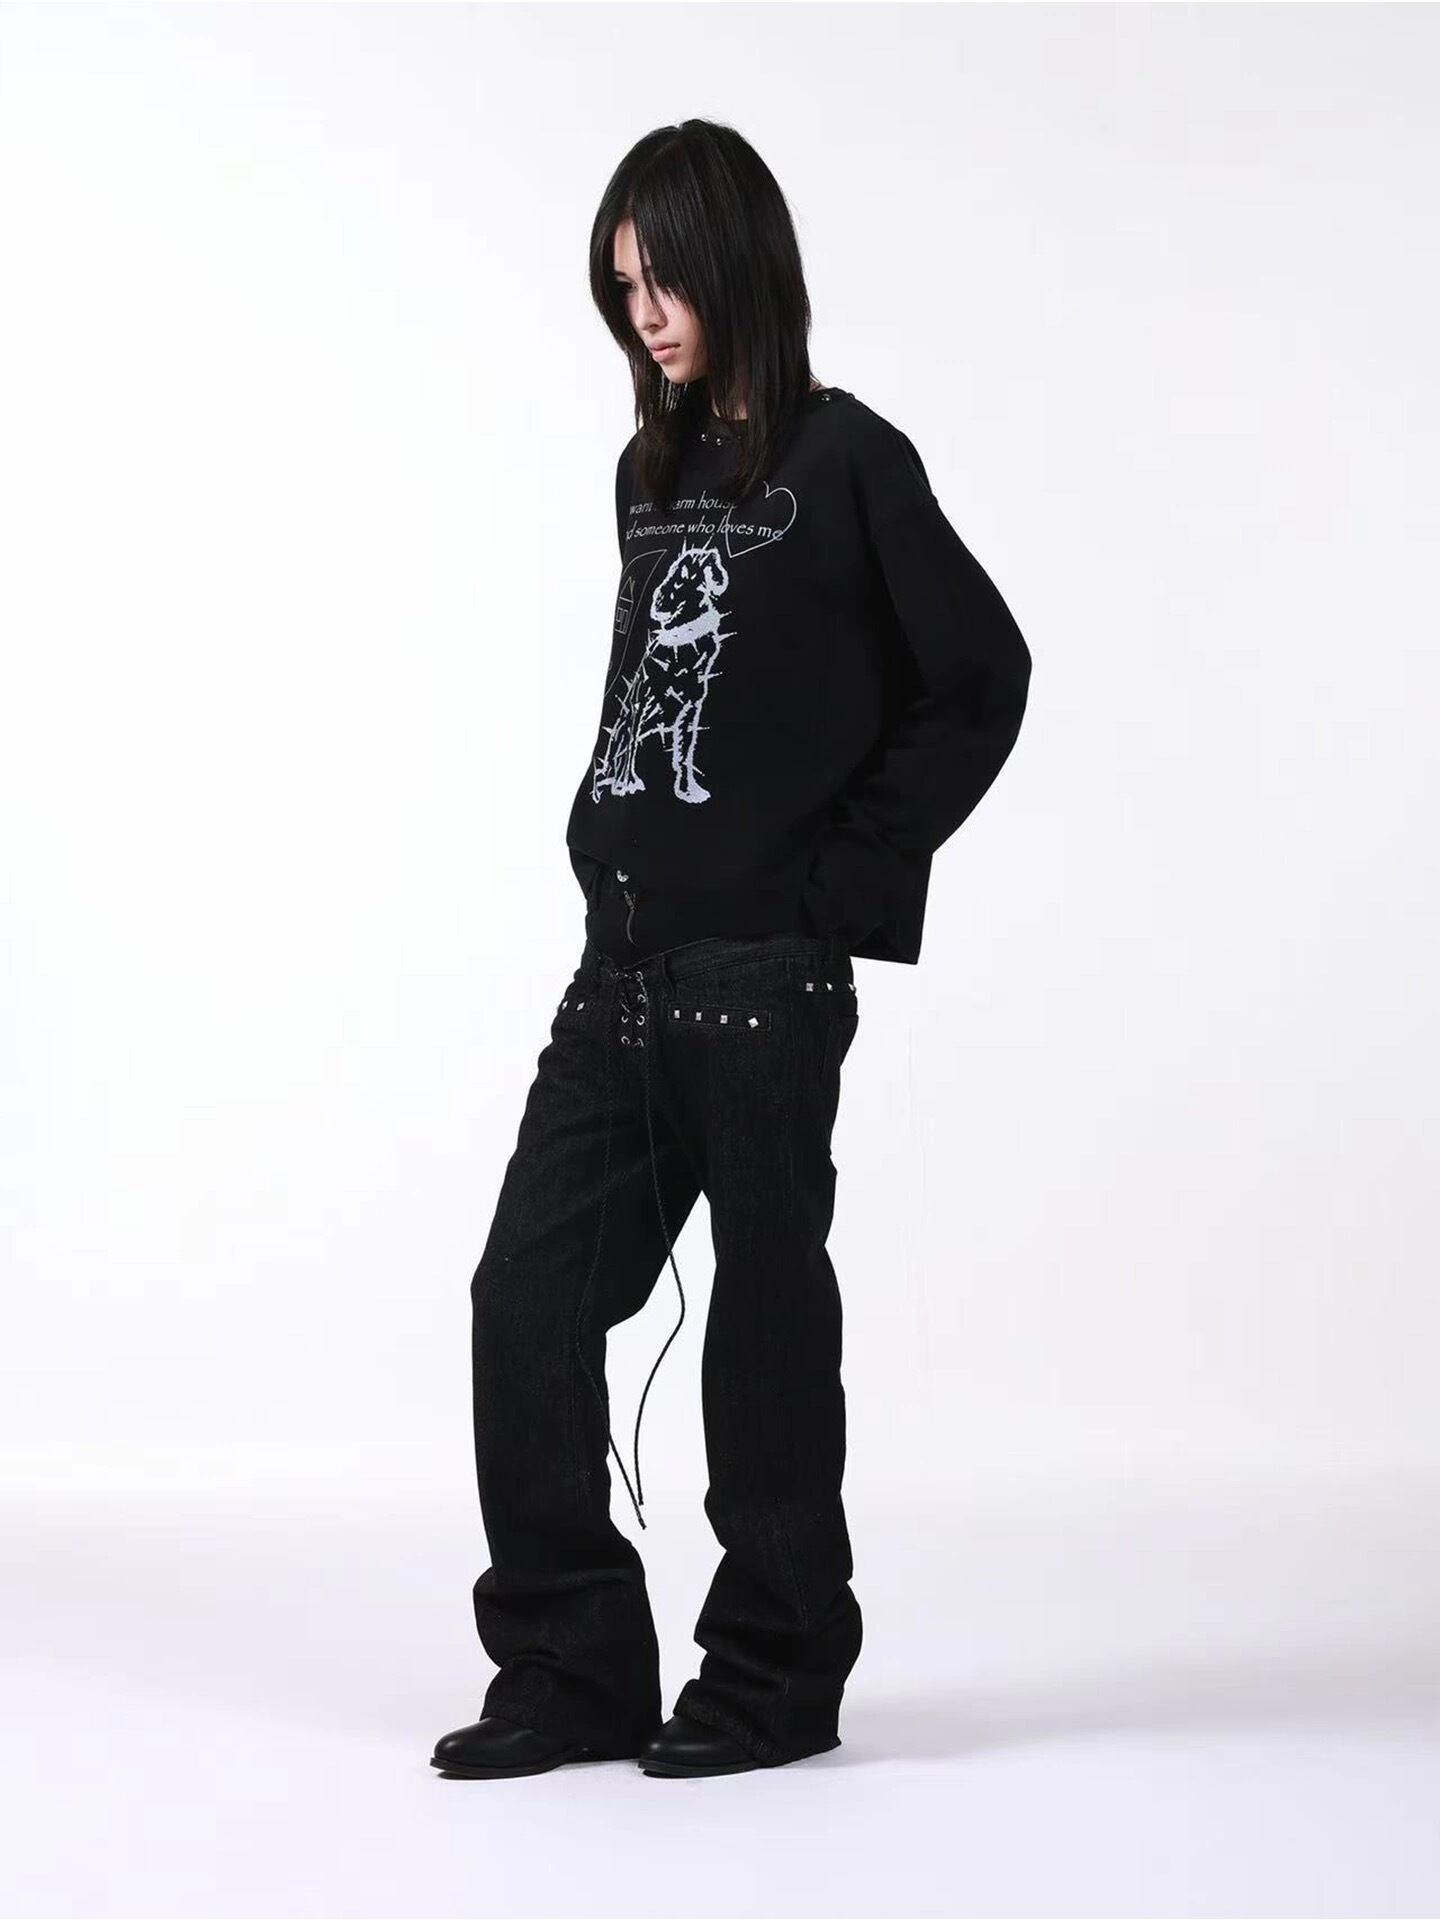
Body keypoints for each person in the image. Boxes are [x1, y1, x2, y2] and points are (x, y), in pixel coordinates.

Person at [431, 119, 1032, 1782]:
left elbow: (981, 675)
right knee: (526, 1296)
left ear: (739, 265)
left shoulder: (851, 461)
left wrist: (846, 880)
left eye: (667, 279)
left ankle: (774, 1674)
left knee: (765, 1330)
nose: (645, 314)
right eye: (622, 287)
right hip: (618, 974)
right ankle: (573, 1670)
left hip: (762, 985)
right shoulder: (653, 472)